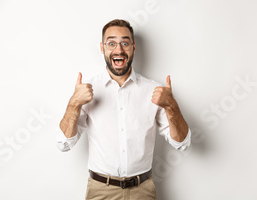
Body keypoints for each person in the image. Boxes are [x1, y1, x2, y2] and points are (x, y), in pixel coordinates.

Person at [55, 19, 191, 200]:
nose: (118, 50)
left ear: (133, 47)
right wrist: (74, 103)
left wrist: (171, 106)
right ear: (102, 48)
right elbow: (63, 144)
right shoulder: (87, 91)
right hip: (101, 190)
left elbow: (182, 143)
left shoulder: (154, 90)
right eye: (111, 43)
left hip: (143, 190)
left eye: (124, 43)